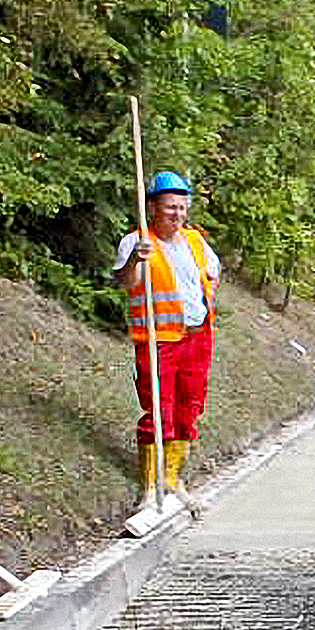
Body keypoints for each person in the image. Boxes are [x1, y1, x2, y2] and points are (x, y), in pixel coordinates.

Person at [113, 170, 220, 501]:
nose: (178, 214)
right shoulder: (137, 242)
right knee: (160, 410)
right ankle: (149, 489)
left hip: (197, 338)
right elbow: (127, 282)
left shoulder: (194, 242)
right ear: (152, 207)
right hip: (158, 340)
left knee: (189, 409)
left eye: (182, 207)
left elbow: (213, 273)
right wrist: (135, 259)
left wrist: (203, 300)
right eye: (171, 207)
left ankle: (172, 480)